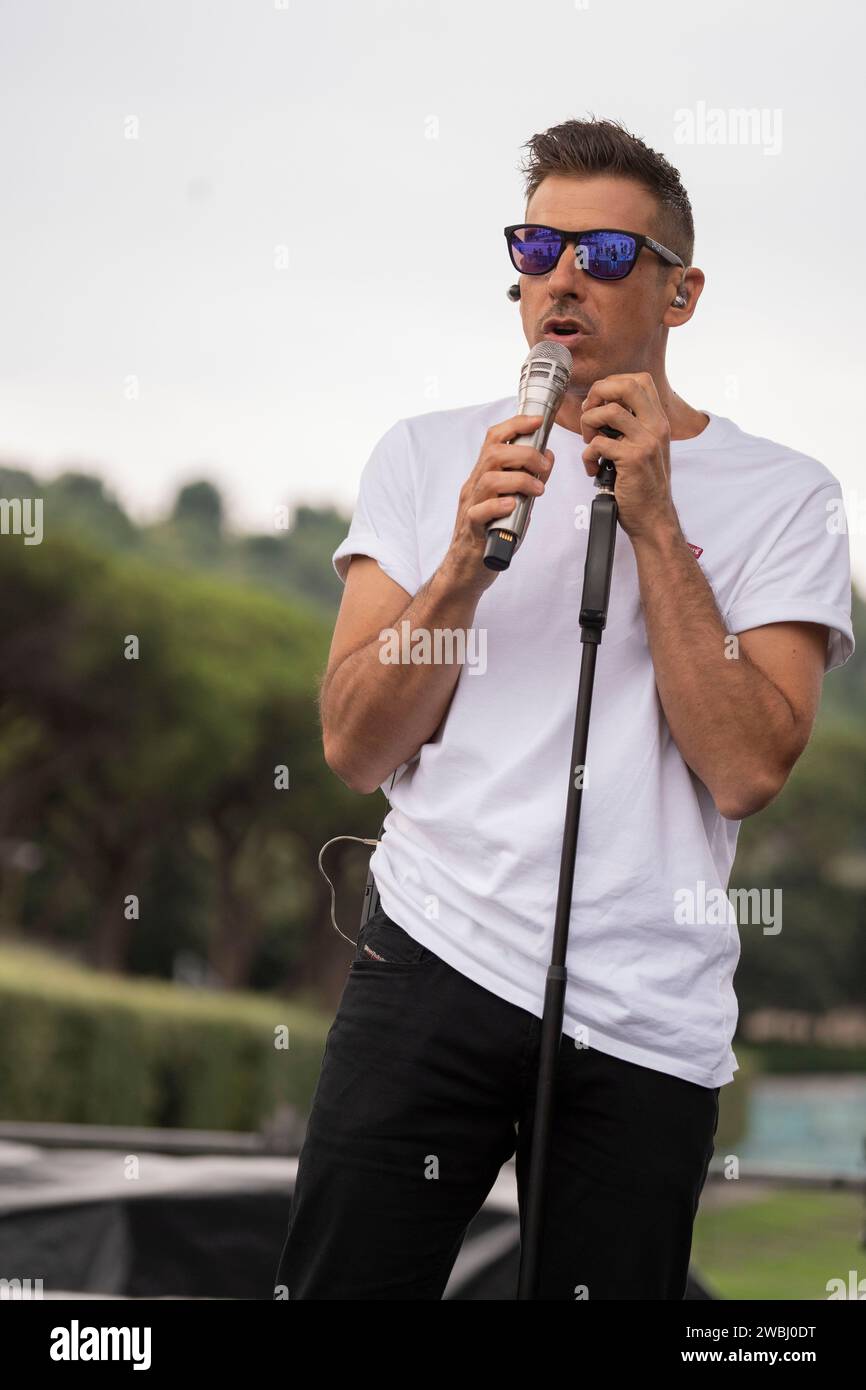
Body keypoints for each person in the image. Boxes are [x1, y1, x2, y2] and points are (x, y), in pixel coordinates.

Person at [273, 116, 854, 1300]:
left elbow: (745, 765)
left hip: (641, 1011)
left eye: (600, 255)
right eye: (536, 247)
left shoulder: (784, 496)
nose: (559, 282)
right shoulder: (430, 456)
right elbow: (353, 743)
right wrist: (458, 565)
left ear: (678, 293)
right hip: (431, 955)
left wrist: (651, 518)